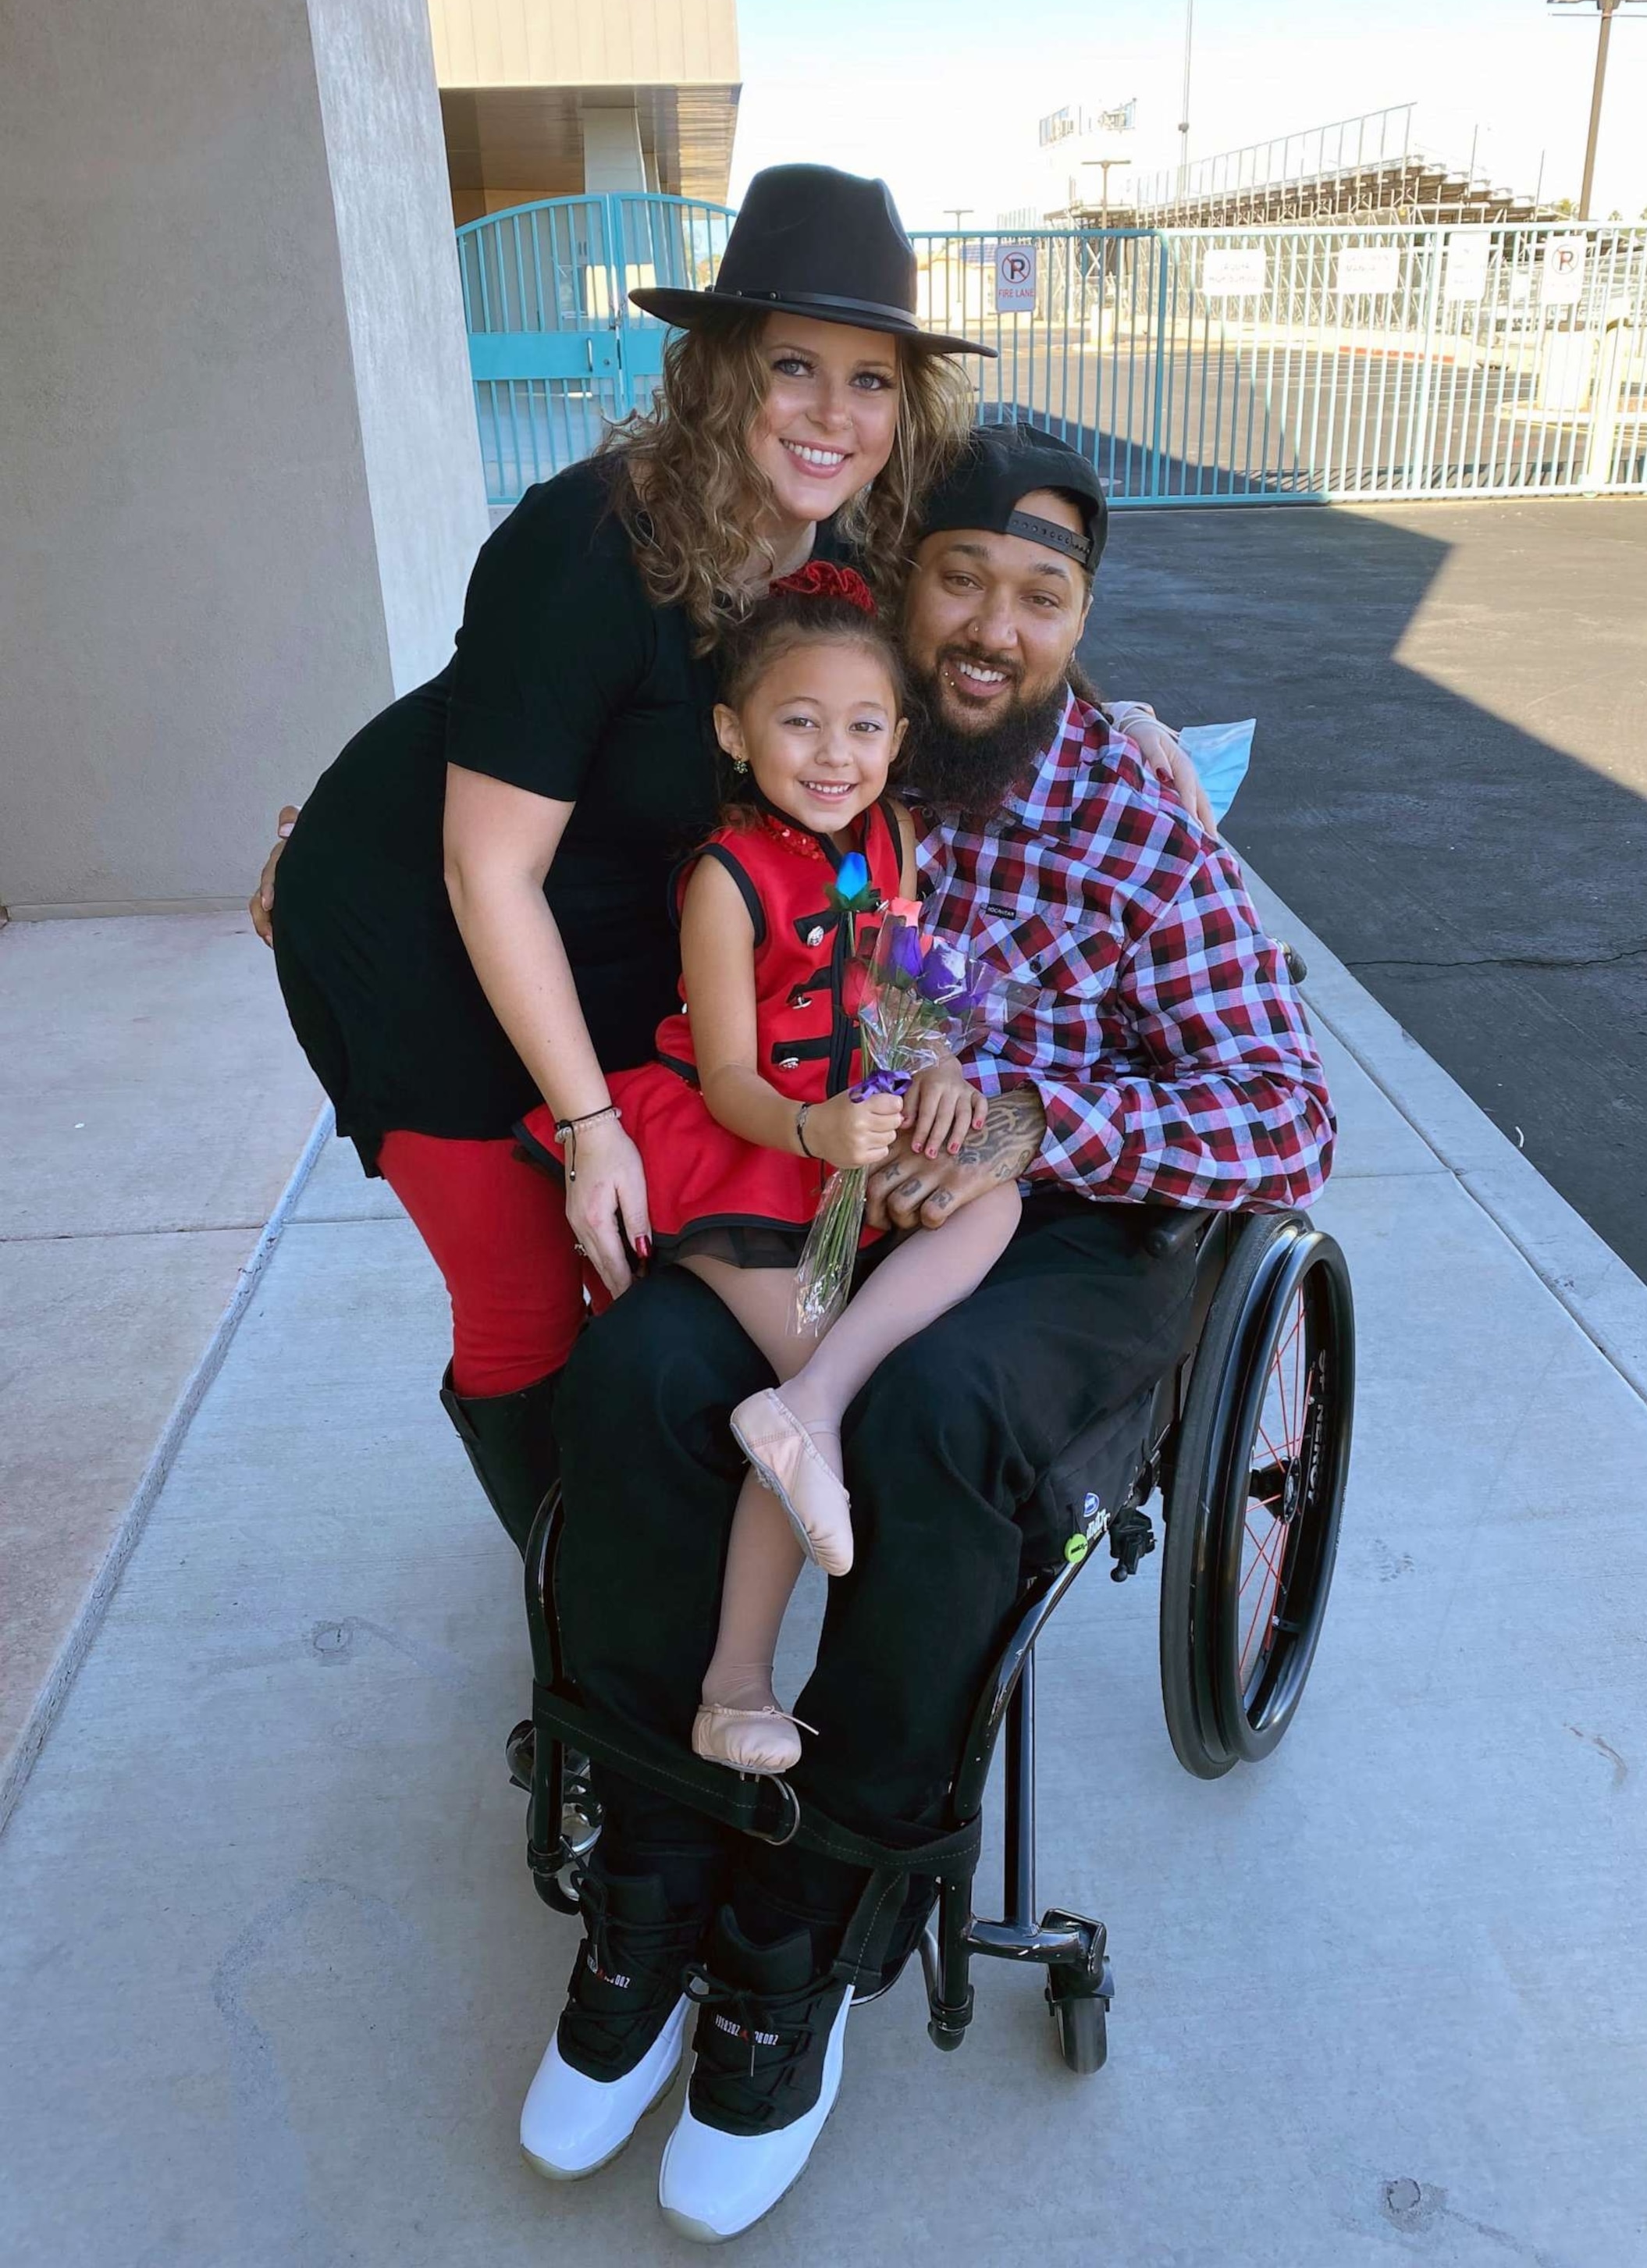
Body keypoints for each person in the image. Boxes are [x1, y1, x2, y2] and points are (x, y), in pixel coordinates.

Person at [517, 423, 1336, 2241]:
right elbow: (520, 826)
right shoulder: (828, 765)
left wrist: (1049, 1122)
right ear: (901, 593)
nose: (991, 627)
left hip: (1054, 1226)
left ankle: (800, 1943)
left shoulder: (1133, 818)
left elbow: (1292, 1114)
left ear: (1077, 626)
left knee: (940, 1419)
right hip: (825, 1190)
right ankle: (650, 1873)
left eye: (1040, 599)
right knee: (650, 1373)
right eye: (961, 578)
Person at [253, 165, 986, 1552]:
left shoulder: (843, 540)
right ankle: (572, 1612)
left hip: (610, 923)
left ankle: (642, 1546)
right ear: (718, 371)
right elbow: (486, 868)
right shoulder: (589, 536)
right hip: (424, 918)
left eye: (873, 379)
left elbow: (986, 641)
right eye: (794, 366)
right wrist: (590, 1130)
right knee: (533, 1278)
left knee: (645, 1264)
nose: (837, 413)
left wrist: (1124, 712)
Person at [524, 566, 1019, 1778]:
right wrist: (811, 1136)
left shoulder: (894, 837)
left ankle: (809, 1407)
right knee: (813, 1362)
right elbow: (731, 1078)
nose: (834, 753)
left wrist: (943, 1062)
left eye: (863, 726)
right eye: (799, 722)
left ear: (899, 738)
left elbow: (903, 984)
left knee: (994, 1186)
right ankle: (734, 1682)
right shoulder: (726, 878)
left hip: (854, 1125)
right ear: (735, 733)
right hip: (745, 1150)